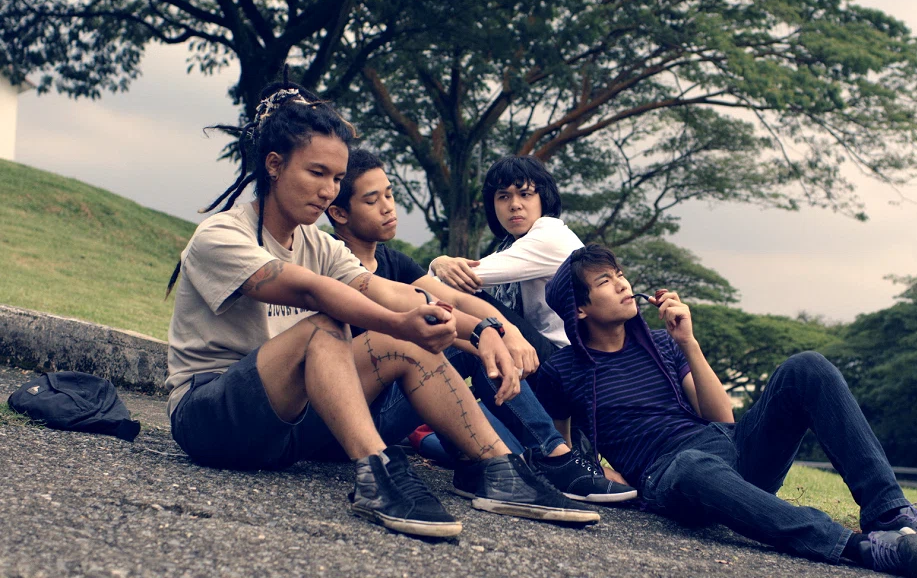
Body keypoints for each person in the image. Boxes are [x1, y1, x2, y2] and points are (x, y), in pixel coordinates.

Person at [164, 82, 600, 539]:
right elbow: (312, 293)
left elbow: (393, 293)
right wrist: (399, 323)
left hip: (291, 428)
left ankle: (500, 470)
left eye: (336, 178)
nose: (328, 191)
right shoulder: (221, 235)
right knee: (326, 326)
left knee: (399, 339)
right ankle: (378, 473)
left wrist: (482, 331)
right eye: (317, 173)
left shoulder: (318, 244)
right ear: (274, 164)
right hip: (212, 417)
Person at [531, 244, 917, 577]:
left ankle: (891, 514)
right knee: (692, 465)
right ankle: (863, 549)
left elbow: (722, 417)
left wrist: (688, 341)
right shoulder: (564, 371)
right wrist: (602, 478)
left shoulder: (662, 345)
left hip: (728, 451)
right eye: (605, 281)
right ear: (581, 308)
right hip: (672, 476)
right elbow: (561, 449)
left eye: (621, 273)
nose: (624, 283)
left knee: (807, 367)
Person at [324, 148, 636, 504]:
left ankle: (517, 459)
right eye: (372, 200)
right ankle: (548, 456)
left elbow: (452, 296)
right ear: (339, 212)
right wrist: (488, 327)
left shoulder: (394, 261)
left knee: (474, 338)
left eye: (390, 194)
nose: (388, 207)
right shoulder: (330, 258)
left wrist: (498, 330)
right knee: (450, 337)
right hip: (348, 422)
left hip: (564, 369)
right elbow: (449, 290)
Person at [429, 155, 583, 361]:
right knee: (470, 332)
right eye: (503, 197)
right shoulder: (512, 246)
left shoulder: (549, 236)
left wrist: (438, 264)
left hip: (566, 360)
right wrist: (439, 264)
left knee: (476, 318)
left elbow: (450, 281)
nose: (514, 205)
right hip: (546, 353)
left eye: (525, 194)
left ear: (543, 199)